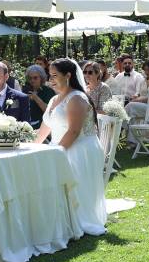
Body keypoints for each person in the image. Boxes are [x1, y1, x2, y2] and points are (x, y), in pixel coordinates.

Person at [33, 58, 107, 236]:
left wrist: (56, 153)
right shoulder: (54, 100)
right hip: (60, 147)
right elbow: (44, 129)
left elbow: (74, 131)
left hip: (80, 149)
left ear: (68, 75)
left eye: (54, 75)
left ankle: (79, 219)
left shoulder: (77, 98)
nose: (50, 80)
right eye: (49, 75)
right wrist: (32, 149)